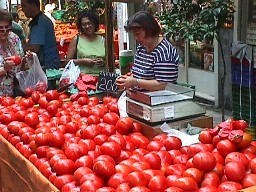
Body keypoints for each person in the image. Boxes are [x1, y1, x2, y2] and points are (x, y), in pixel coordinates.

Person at [116, 11, 179, 91]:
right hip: (140, 97)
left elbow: (164, 85)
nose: (136, 38)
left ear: (149, 30)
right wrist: (126, 80)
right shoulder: (141, 48)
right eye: (134, 35)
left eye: (138, 34)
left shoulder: (164, 52)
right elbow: (138, 74)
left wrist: (136, 82)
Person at [21, 0, 61, 89]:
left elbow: (35, 48)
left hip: (46, 64)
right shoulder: (43, 19)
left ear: (33, 5)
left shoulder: (39, 22)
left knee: (45, 93)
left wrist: (20, 49)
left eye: (24, 6)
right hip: (50, 62)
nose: (22, 9)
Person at [66, 10, 105, 76]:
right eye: (84, 24)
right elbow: (67, 62)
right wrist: (82, 61)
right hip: (81, 79)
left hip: (102, 79)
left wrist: (103, 62)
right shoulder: (76, 40)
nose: (87, 26)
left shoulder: (103, 40)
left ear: (94, 23)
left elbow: (112, 60)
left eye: (89, 23)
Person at [0, 9, 24, 96]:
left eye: (7, 28)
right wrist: (4, 69)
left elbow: (21, 59)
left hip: (13, 91)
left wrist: (27, 58)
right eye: (1, 29)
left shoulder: (14, 38)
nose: (5, 31)